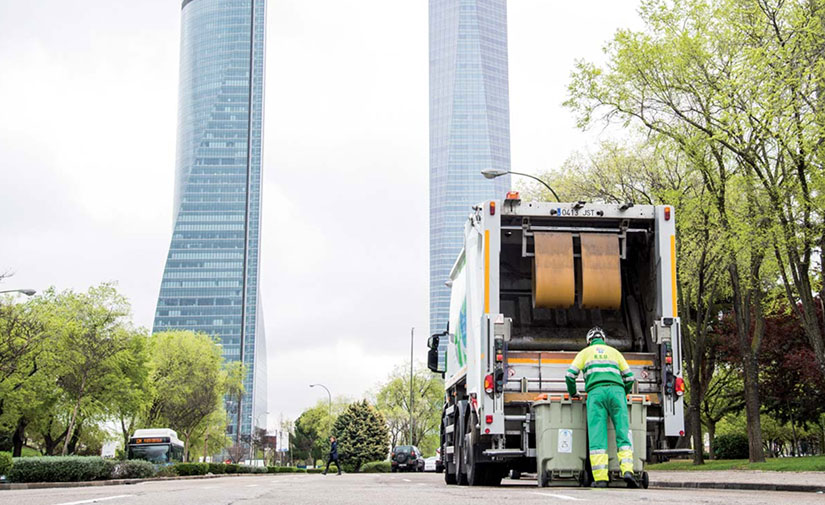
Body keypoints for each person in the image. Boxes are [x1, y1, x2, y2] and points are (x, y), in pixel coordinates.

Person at [565, 327, 637, 488]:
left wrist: (573, 393)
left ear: (588, 340)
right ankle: (627, 471)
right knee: (623, 434)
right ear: (604, 339)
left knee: (598, 436)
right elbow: (630, 378)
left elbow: (570, 375)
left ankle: (601, 479)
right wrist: (622, 394)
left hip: (596, 394)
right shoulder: (615, 352)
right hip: (617, 393)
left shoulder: (585, 353)